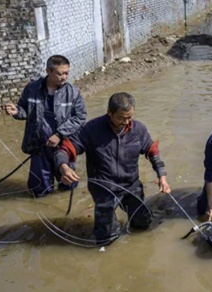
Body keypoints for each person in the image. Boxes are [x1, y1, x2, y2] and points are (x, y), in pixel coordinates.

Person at [55, 92, 171, 246]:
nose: (126, 122)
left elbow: (152, 151)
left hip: (131, 185)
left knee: (142, 224)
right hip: (104, 188)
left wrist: (162, 176)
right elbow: (65, 149)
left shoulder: (138, 129)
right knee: (105, 237)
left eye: (130, 117)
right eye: (122, 118)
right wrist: (64, 167)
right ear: (109, 113)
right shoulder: (92, 129)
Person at [5, 55, 86, 197]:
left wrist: (59, 134)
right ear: (48, 71)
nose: (64, 77)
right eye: (60, 73)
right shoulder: (32, 88)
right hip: (39, 145)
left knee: (68, 184)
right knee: (39, 189)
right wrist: (16, 111)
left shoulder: (72, 92)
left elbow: (80, 117)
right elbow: (24, 109)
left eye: (67, 73)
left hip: (63, 145)